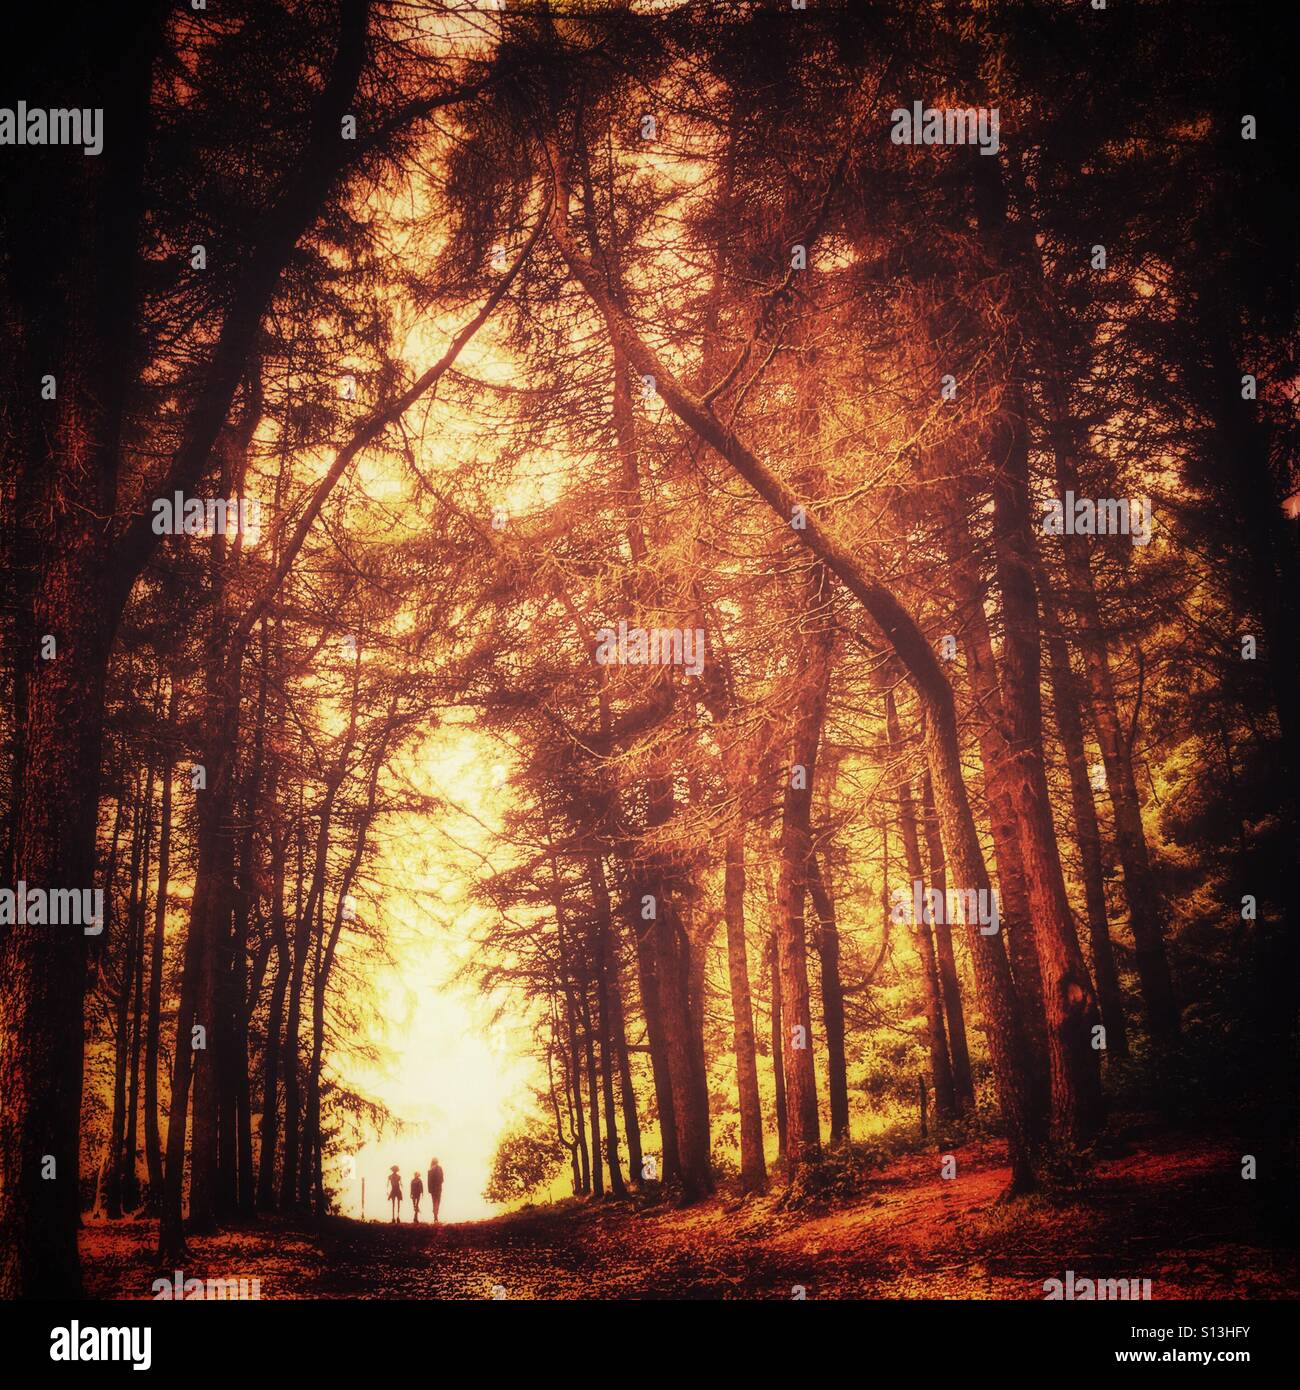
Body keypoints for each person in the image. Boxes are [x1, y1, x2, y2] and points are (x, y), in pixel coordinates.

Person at [427, 1158, 444, 1223]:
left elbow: (428, 1181)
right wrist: (439, 1183)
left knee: (434, 1202)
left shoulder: (430, 1170)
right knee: (438, 1201)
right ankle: (436, 1214)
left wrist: (429, 1189)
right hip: (438, 1188)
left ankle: (435, 1215)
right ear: (437, 1162)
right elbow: (442, 1179)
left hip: (432, 1189)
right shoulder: (440, 1168)